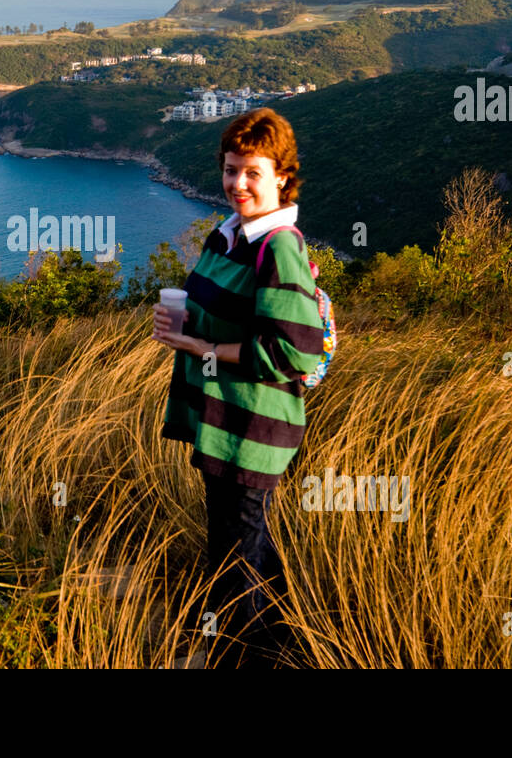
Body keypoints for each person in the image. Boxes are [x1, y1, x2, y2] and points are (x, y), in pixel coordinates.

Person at [151, 107, 324, 662]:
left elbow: (291, 350)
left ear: (281, 176)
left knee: (233, 552)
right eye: (230, 170)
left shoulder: (279, 247)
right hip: (221, 420)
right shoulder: (226, 236)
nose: (238, 183)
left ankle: (241, 654)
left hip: (253, 425)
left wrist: (200, 348)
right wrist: (186, 329)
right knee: (245, 539)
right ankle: (284, 641)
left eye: (253, 171)